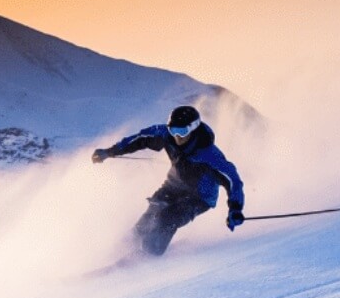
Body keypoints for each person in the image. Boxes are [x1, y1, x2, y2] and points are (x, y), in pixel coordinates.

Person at [92, 105, 245, 256]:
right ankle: (129, 242)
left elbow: (233, 181)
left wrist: (235, 209)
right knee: (153, 211)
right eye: (174, 130)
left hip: (199, 197)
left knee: (168, 217)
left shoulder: (209, 155)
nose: (177, 136)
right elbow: (139, 139)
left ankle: (151, 250)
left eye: (182, 131)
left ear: (193, 129)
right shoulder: (166, 136)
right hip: (173, 186)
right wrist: (110, 152)